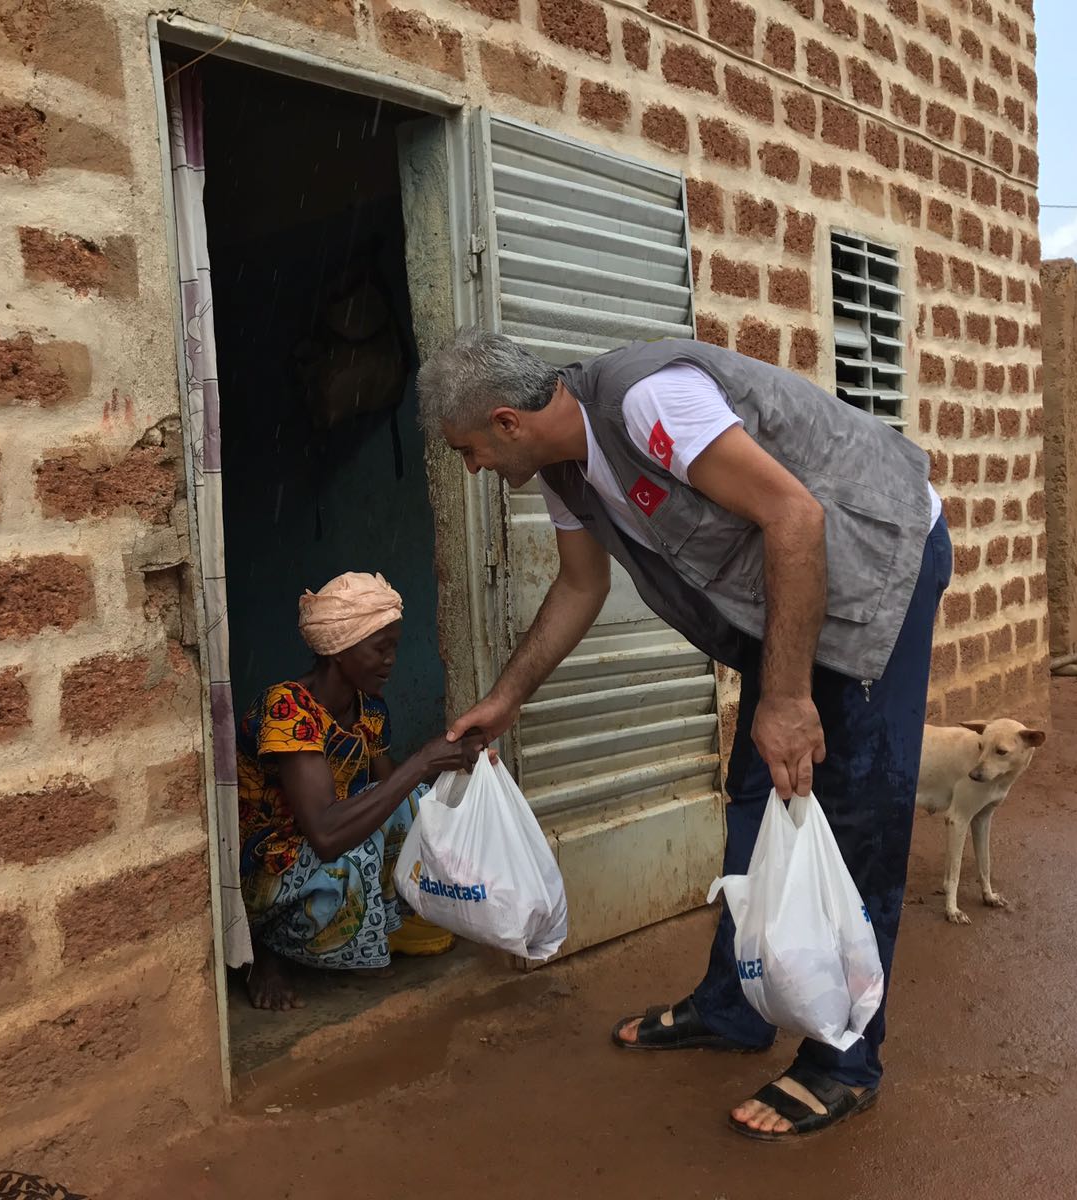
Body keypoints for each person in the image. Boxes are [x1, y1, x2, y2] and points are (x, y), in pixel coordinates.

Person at [416, 331, 950, 1141]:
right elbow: (580, 584)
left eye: (468, 450)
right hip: (797, 584)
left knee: (855, 811)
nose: (472, 468)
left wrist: (787, 697)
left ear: (507, 422)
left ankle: (844, 1058)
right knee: (756, 793)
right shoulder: (565, 470)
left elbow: (796, 515)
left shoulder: (646, 403)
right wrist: (507, 697)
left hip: (879, 566)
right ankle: (736, 1005)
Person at [236, 571, 481, 1010]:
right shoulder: (288, 708)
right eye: (379, 648)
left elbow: (396, 793)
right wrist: (422, 761)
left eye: (394, 647)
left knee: (413, 805)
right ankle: (265, 948)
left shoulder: (369, 709)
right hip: (268, 864)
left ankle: (383, 928)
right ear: (339, 648)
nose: (390, 660)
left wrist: (457, 758)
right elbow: (326, 835)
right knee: (359, 851)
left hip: (319, 843)